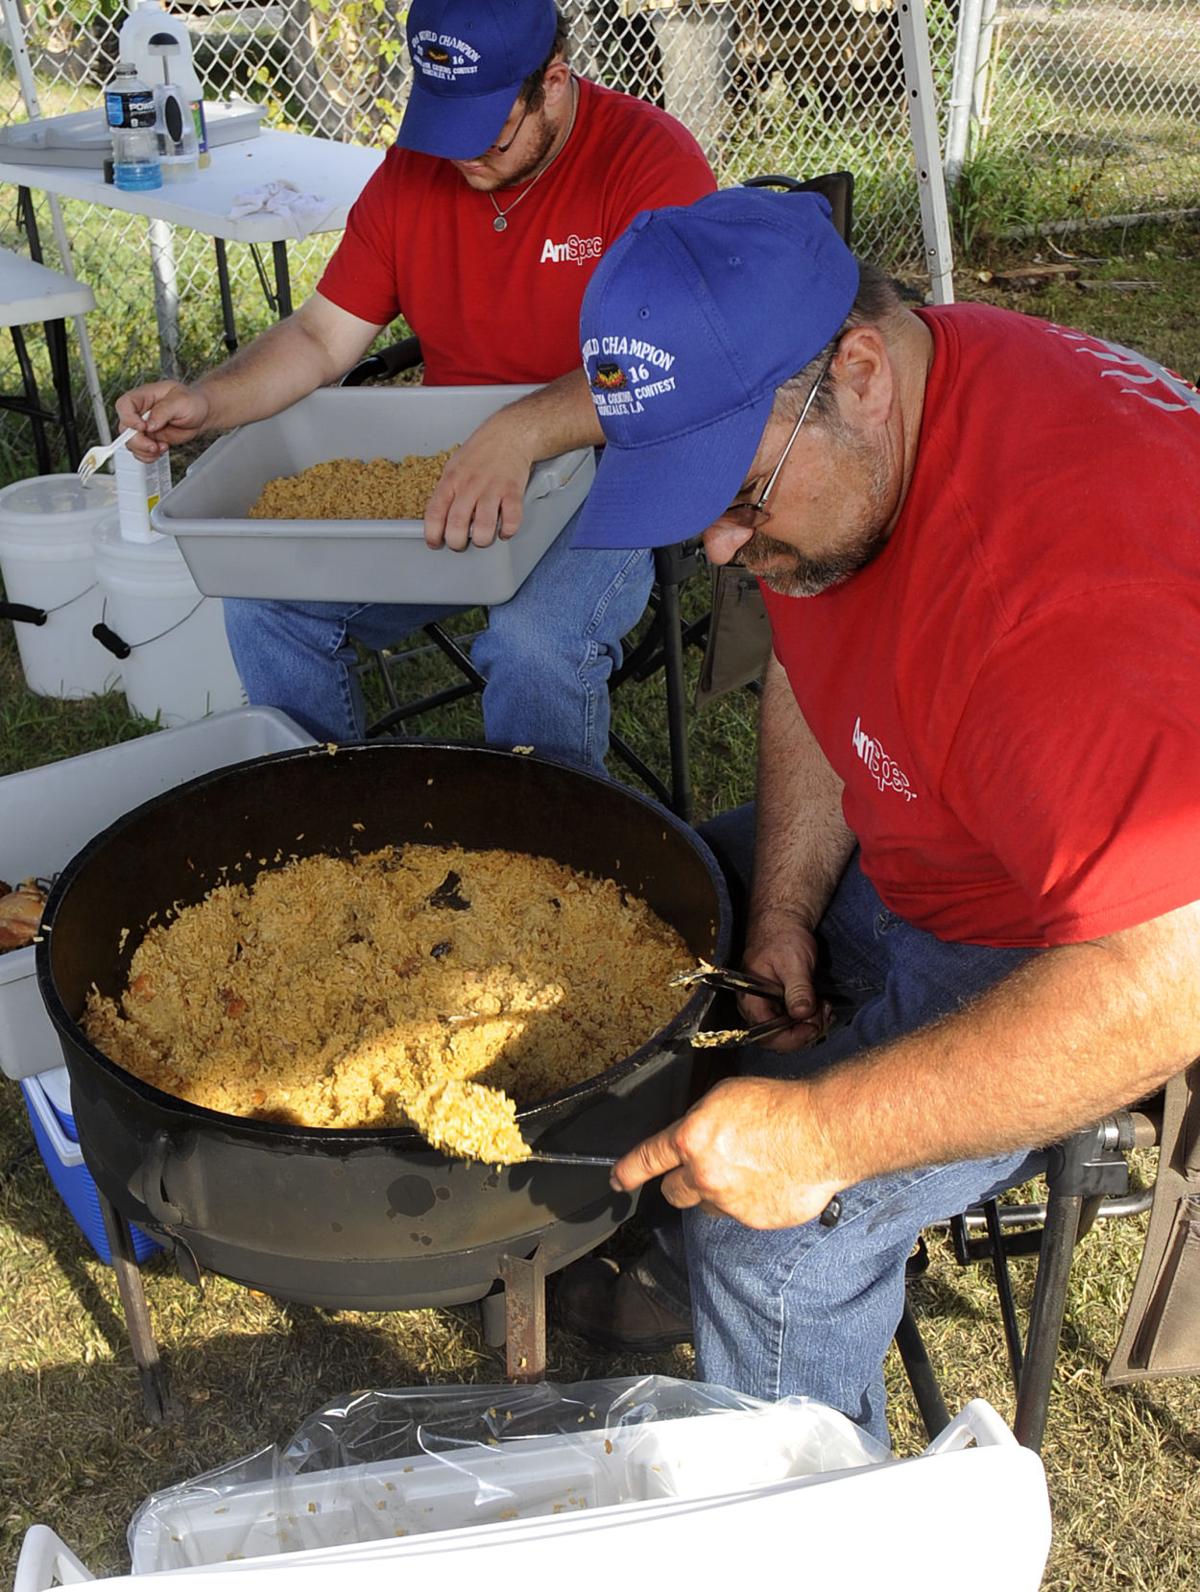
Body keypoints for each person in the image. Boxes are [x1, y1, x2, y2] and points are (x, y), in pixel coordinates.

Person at [556, 186, 1200, 1442]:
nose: (727, 550)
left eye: (738, 496)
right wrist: (791, 902)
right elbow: (813, 643)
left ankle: (815, 1532)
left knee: (769, 1249)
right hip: (938, 836)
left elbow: (1166, 981)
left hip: (1066, 945)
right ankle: (636, 1247)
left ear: (856, 374)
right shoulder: (872, 425)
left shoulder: (1051, 604)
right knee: (638, 908)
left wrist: (821, 1133)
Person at [115, 0, 714, 765]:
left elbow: (677, 362)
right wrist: (209, 401)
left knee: (533, 644)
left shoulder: (650, 163)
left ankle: (557, 861)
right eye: (445, 127)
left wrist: (523, 429)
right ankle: (328, 831)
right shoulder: (415, 170)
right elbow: (319, 337)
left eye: (488, 134)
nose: (462, 158)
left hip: (626, 462)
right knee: (267, 604)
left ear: (553, 82)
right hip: (459, 460)